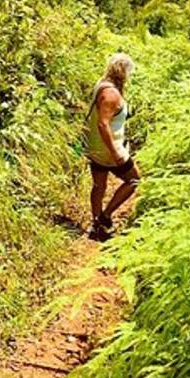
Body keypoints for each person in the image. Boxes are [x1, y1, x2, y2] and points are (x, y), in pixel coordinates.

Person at [83, 52, 140, 240]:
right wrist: (115, 151)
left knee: (99, 185)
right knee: (133, 180)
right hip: (109, 148)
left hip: (96, 147)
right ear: (123, 73)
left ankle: (97, 223)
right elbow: (102, 124)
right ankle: (105, 216)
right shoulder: (111, 94)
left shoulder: (101, 86)